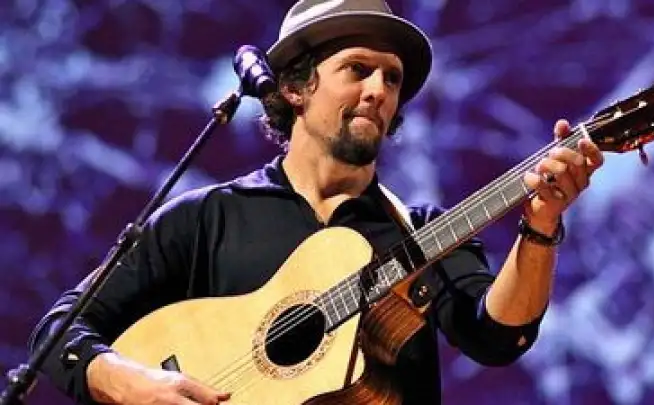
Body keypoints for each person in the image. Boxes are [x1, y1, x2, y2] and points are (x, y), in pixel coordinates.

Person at [28, 0, 604, 404]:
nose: (379, 90)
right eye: (358, 69)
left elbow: (498, 337)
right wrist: (132, 383)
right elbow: (59, 333)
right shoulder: (206, 218)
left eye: (392, 78)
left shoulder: (422, 234)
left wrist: (541, 227)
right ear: (294, 87)